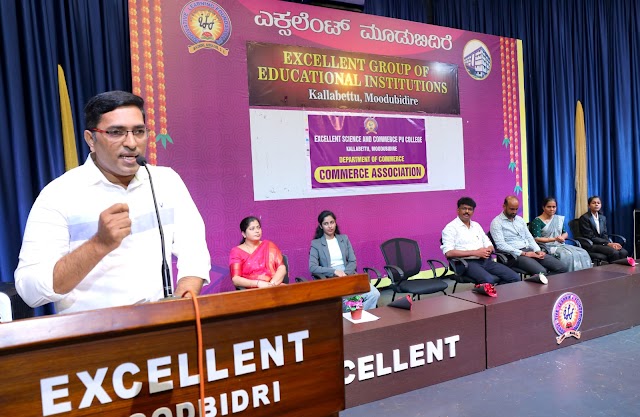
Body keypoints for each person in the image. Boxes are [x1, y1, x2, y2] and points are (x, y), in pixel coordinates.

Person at [14, 91, 211, 313]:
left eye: (139, 131)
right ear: (91, 139)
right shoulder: (58, 195)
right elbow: (30, 291)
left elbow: (194, 253)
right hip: (91, 332)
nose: (131, 143)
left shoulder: (166, 181)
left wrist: (181, 304)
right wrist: (98, 244)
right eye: (116, 132)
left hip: (161, 326)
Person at [441, 197, 520, 287]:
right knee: (488, 280)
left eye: (470, 209)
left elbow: (489, 244)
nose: (467, 211)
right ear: (458, 210)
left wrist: (488, 249)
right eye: (464, 208)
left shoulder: (476, 225)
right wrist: (475, 252)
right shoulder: (450, 228)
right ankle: (487, 292)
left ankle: (495, 293)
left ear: (473, 212)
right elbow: (449, 253)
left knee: (514, 277)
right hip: (466, 263)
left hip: (485, 261)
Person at [309, 210, 380, 311]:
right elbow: (312, 267)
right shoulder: (316, 244)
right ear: (321, 226)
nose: (330, 226)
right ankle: (354, 315)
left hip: (348, 275)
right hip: (332, 279)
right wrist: (334, 271)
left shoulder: (344, 239)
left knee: (374, 294)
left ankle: (358, 315)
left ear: (335, 223)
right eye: (326, 223)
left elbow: (352, 261)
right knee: (348, 302)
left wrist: (345, 274)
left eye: (332, 222)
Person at [490, 196, 567, 276]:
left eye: (516, 209)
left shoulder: (520, 220)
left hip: (530, 250)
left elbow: (529, 237)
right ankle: (537, 282)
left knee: (562, 268)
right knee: (542, 272)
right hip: (514, 255)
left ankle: (542, 282)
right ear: (504, 206)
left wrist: (537, 250)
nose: (514, 212)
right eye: (512, 209)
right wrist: (524, 253)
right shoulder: (497, 222)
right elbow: (500, 245)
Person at [530, 197, 592, 271]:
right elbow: (537, 239)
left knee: (582, 252)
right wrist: (554, 239)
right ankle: (568, 275)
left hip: (560, 245)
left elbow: (565, 233)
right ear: (543, 207)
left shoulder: (558, 219)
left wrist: (562, 237)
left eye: (554, 207)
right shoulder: (537, 221)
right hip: (546, 247)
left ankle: (583, 275)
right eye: (549, 207)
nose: (552, 209)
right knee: (567, 255)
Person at [229, 216, 287, 288]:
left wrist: (272, 284)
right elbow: (235, 279)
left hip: (273, 286)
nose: (257, 231)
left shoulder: (269, 245)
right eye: (252, 229)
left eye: (258, 227)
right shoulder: (236, 251)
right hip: (252, 290)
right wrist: (257, 284)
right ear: (244, 234)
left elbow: (281, 267)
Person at [578, 196, 628, 263]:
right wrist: (608, 244)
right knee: (614, 253)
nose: (596, 204)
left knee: (624, 252)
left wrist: (611, 244)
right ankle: (612, 269)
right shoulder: (584, 218)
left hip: (602, 244)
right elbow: (590, 236)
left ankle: (621, 269)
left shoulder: (602, 218)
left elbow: (604, 234)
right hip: (591, 244)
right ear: (589, 205)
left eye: (598, 203)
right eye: (594, 203)